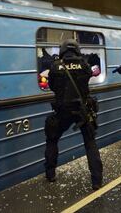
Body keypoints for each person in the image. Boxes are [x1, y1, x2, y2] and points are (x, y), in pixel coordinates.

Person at [44, 39, 103, 190]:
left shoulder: (55, 67)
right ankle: (97, 181)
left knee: (52, 140)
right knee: (90, 143)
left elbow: (51, 86)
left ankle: (50, 174)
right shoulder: (84, 65)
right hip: (82, 111)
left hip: (62, 111)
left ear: (62, 50)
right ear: (77, 50)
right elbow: (90, 76)